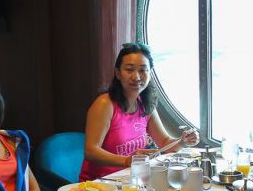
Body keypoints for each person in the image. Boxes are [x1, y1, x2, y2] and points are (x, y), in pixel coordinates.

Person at [80, 43, 199, 181]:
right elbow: (91, 151)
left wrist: (183, 141)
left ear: (150, 73)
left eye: (143, 70)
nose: (136, 77)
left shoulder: (145, 104)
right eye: (129, 70)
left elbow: (165, 142)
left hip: (132, 181)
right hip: (99, 185)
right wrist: (128, 161)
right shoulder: (105, 104)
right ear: (118, 73)